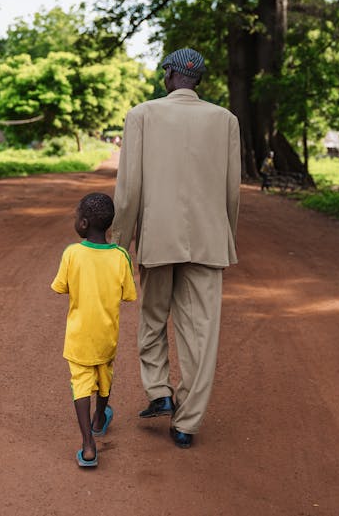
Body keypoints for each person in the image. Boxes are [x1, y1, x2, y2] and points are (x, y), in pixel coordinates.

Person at [111, 48, 241, 449]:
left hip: (157, 237)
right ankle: (186, 423)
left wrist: (118, 246)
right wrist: (225, 235)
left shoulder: (142, 115)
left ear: (168, 74)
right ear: (198, 79)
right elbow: (230, 191)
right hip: (209, 239)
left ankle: (159, 391)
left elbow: (129, 189)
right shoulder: (226, 121)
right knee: (202, 333)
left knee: (152, 319)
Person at [51, 192, 137, 467]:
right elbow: (128, 294)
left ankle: (88, 445)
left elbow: (61, 287)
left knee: (81, 384)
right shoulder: (121, 256)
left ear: (84, 224)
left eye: (77, 216)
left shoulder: (72, 253)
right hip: (106, 336)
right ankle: (100, 418)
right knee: (104, 376)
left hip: (78, 337)